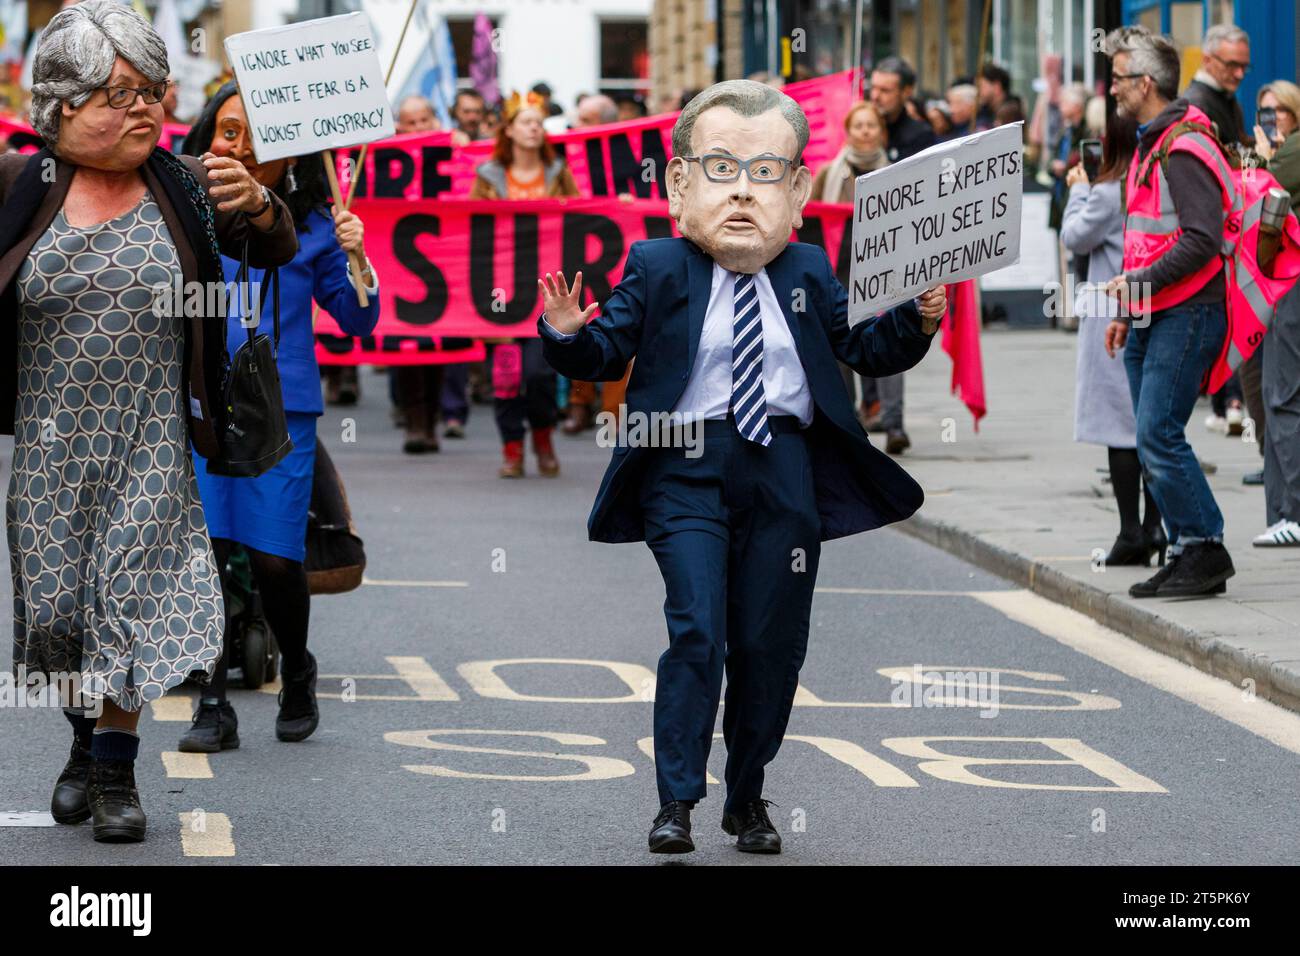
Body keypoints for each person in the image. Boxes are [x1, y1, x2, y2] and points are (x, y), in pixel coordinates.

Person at [537, 79, 946, 854]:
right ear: (682, 184)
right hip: (684, 468)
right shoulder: (657, 266)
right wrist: (564, 333)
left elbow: (865, 347)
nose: (743, 194)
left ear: (794, 191)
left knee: (770, 643)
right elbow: (605, 348)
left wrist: (918, 317)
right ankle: (676, 802)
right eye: (722, 169)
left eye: (765, 174)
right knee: (698, 629)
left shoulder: (809, 271)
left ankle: (747, 796)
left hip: (782, 469)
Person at [0, 0, 297, 842]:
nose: (145, 109)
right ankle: (82, 742)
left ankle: (116, 777)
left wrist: (265, 206)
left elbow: (274, 246)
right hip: (51, 446)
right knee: (57, 617)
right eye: (120, 94)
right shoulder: (19, 183)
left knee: (130, 603)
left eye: (153, 91)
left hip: (152, 439)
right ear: (62, 105)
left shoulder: (188, 184)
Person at [175, 81, 380, 752]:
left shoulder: (316, 224)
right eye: (228, 131)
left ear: (290, 156)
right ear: (207, 138)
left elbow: (355, 321)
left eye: (259, 135)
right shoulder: (176, 208)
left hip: (282, 411)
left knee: (272, 558)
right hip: (199, 401)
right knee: (205, 556)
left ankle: (298, 670)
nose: (241, 146)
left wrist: (356, 258)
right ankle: (212, 701)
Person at [1102, 25, 1235, 598]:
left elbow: (1202, 238)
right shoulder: (1153, 143)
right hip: (1153, 313)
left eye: (1119, 79)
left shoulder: (1183, 145)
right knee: (1152, 432)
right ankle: (1184, 549)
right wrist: (1128, 309)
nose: (1111, 90)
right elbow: (1144, 239)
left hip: (1188, 313)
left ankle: (1205, 546)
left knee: (1158, 433)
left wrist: (1135, 284)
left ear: (1147, 83)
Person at [1061, 107, 1165, 565]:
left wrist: (1078, 190)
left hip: (1110, 311)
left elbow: (1074, 237)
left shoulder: (1106, 191)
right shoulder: (1150, 181)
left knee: (1117, 426)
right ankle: (1156, 526)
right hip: (1148, 302)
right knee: (1148, 422)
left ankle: (1131, 532)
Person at [469, 91, 580, 477]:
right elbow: (474, 230)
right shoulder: (487, 177)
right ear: (510, 131)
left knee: (540, 372)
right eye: (526, 122)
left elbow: (582, 220)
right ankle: (512, 448)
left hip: (547, 292)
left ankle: (543, 439)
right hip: (501, 293)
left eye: (539, 122)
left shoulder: (559, 173)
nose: (535, 127)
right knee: (507, 374)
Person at [1250, 80, 1300, 546]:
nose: (1271, 120)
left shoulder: (1290, 153)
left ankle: (1290, 514)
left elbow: (1263, 192)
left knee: (1282, 396)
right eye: (1264, 112)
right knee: (1277, 394)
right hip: (1280, 285)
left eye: (1278, 111)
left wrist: (1266, 157)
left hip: (1290, 283)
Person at [390, 95, 449, 453]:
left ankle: (431, 421)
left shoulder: (450, 154)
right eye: (409, 123)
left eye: (424, 120)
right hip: (403, 264)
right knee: (408, 342)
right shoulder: (385, 158)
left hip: (445, 262)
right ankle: (414, 422)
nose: (417, 129)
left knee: (440, 346)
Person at [1181, 23, 1250, 148]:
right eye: (1232, 65)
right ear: (1207, 60)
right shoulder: (1195, 105)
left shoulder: (1224, 95)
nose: (1240, 74)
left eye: (1244, 66)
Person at [869, 56, 936, 162]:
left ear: (906, 92)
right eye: (873, 88)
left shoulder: (920, 136)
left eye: (885, 90)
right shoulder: (860, 130)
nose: (875, 96)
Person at [976, 62, 1013, 130]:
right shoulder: (986, 112)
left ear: (997, 87)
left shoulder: (1010, 114)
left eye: (981, 86)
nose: (978, 92)